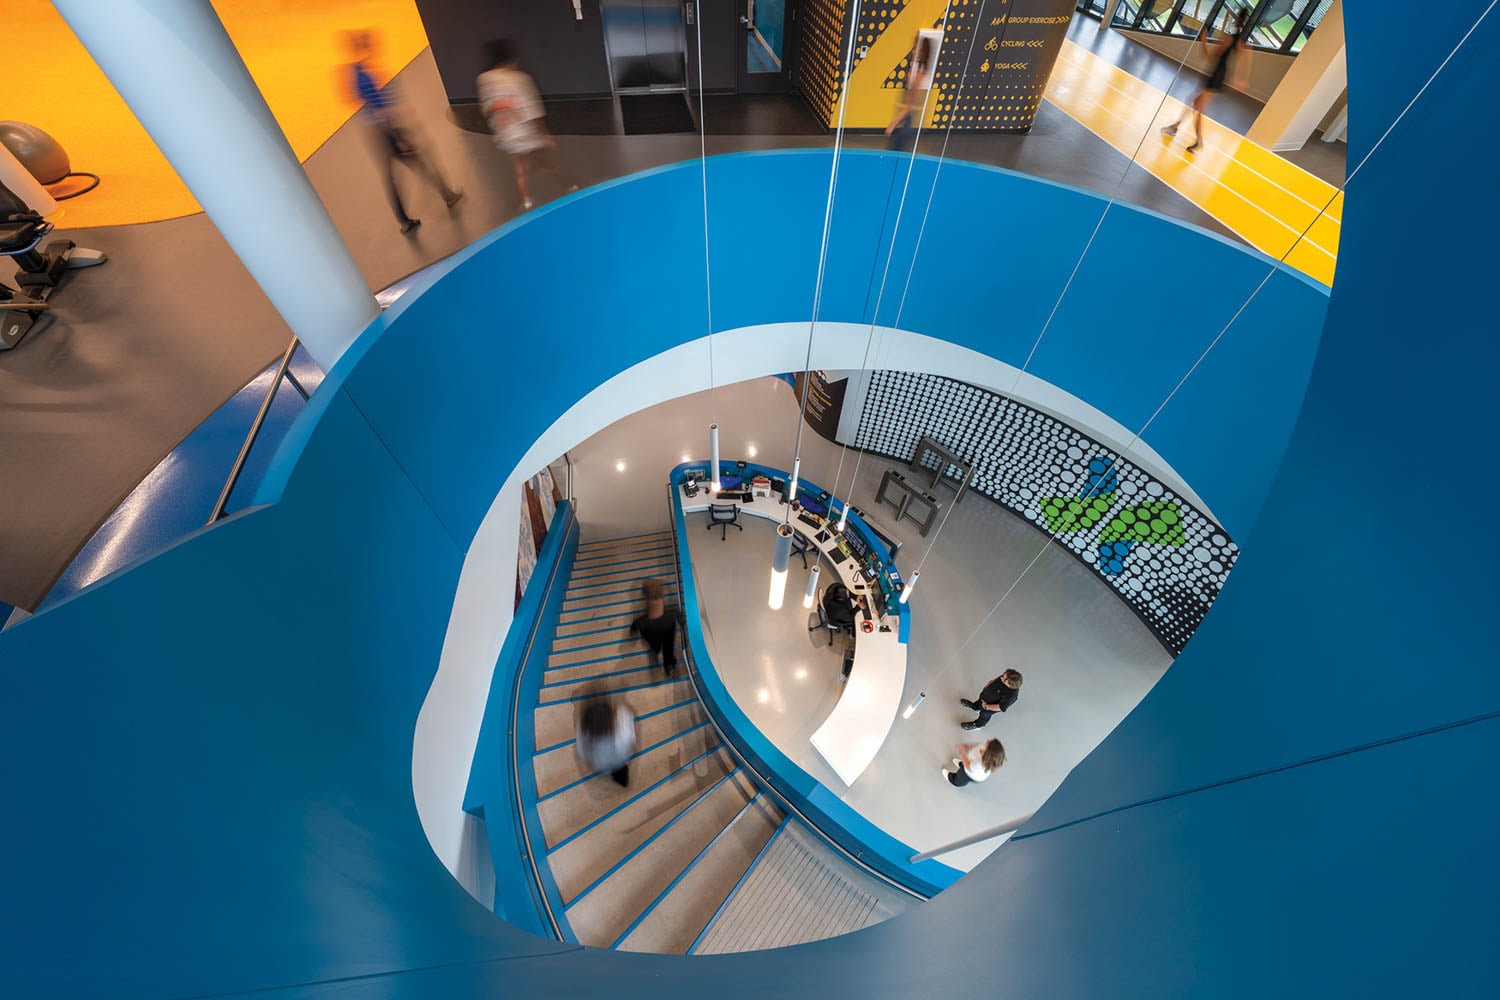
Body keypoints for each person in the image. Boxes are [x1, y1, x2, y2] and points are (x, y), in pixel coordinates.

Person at [343, 28, 463, 234]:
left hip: (375, 131)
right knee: (419, 162)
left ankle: (405, 219)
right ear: (363, 46)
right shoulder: (366, 76)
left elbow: (356, 99)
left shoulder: (354, 72)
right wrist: (399, 138)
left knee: (392, 175)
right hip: (388, 131)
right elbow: (380, 109)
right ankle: (447, 195)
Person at [477, 39, 578, 211]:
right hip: (527, 133)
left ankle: (527, 200)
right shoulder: (520, 79)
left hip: (507, 135)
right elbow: (533, 111)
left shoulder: (484, 80)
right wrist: (545, 134)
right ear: (510, 59)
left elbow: (487, 109)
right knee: (547, 162)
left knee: (520, 170)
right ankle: (568, 185)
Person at [1160, 13, 1246, 154]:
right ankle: (1176, 126)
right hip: (1219, 76)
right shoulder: (1238, 42)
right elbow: (1244, 56)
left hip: (1215, 77)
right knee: (1194, 101)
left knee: (1199, 110)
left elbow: (1209, 57)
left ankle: (1199, 141)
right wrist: (1239, 78)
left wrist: (1204, 41)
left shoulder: (1228, 39)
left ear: (1236, 23)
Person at [885, 34, 935, 151]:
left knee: (897, 152)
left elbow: (910, 106)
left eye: (917, 49)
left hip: (907, 121)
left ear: (923, 52)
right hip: (907, 120)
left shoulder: (919, 76)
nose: (913, 51)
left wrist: (893, 123)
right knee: (898, 151)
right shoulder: (918, 73)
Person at [576, 696, 637, 787]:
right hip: (618, 761)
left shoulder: (583, 729)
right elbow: (631, 741)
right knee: (620, 772)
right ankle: (622, 782)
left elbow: (580, 752)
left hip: (598, 762)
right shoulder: (621, 726)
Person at [631, 579, 683, 677]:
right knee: (668, 650)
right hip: (668, 630)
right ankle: (669, 668)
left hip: (651, 634)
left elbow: (634, 626)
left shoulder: (642, 622)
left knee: (654, 646)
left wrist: (633, 631)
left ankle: (655, 652)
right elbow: (679, 617)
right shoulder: (671, 616)